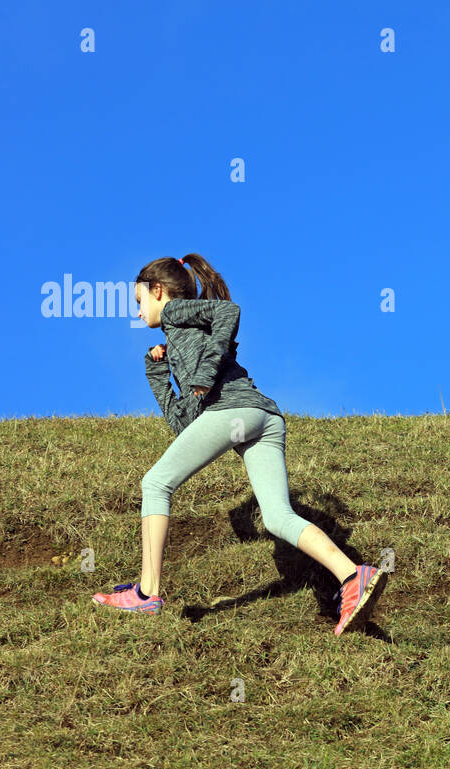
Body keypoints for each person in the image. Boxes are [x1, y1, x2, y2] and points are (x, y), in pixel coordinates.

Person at [91, 253, 386, 635]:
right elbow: (183, 423)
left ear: (158, 291)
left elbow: (229, 312)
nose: (137, 312)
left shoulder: (178, 311)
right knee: (278, 518)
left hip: (235, 415)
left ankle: (147, 595)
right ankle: (353, 576)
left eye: (138, 301)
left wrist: (206, 370)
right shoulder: (180, 335)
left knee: (155, 483)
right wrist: (158, 370)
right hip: (264, 418)